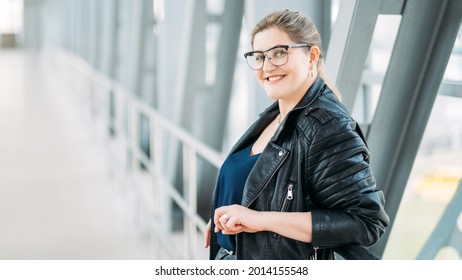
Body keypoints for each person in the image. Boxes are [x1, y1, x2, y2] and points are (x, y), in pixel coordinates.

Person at [203, 9, 389, 260]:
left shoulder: (328, 127)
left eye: (279, 53)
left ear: (311, 56)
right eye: (259, 56)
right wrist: (228, 214)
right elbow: (264, 185)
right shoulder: (275, 114)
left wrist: (258, 220)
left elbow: (366, 222)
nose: (267, 67)